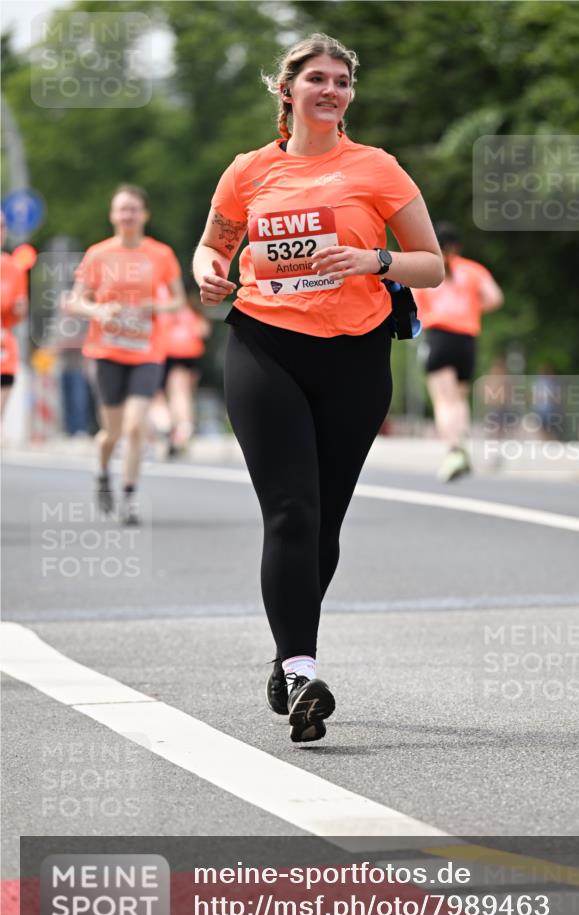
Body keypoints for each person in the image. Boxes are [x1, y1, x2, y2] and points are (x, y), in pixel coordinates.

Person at [193, 33, 443, 743]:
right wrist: (206, 272)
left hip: (355, 359)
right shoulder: (247, 172)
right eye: (316, 80)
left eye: (341, 81)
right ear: (287, 89)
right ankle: (303, 669)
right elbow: (215, 243)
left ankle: (284, 651)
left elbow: (431, 265)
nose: (330, 91)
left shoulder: (376, 168)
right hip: (263, 346)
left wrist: (373, 256)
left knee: (324, 525)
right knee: (292, 515)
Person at [64, 185, 185, 524]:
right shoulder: (98, 254)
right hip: (106, 350)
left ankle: (129, 498)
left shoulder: (160, 254)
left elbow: (177, 300)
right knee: (111, 433)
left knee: (135, 427)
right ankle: (102, 471)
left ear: (144, 214)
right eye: (121, 209)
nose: (127, 215)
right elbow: (75, 300)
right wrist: (99, 312)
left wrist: (153, 305)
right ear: (112, 215)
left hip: (147, 350)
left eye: (133, 209)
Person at [413, 223, 503, 482]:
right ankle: (462, 444)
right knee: (460, 398)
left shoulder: (429, 269)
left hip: (440, 336)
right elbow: (495, 298)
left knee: (443, 399)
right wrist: (471, 308)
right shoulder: (473, 270)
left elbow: (415, 305)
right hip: (467, 339)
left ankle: (453, 450)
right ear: (458, 247)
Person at [151, 289, 211, 457]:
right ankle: (182, 429)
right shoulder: (192, 309)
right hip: (189, 354)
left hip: (169, 352)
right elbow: (204, 330)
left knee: (163, 395)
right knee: (182, 393)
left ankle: (169, 427)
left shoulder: (164, 306)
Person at [0, 212, 29, 421]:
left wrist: (20, 311)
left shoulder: (13, 268)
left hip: (3, 351)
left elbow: (13, 319)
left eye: (1, 226)